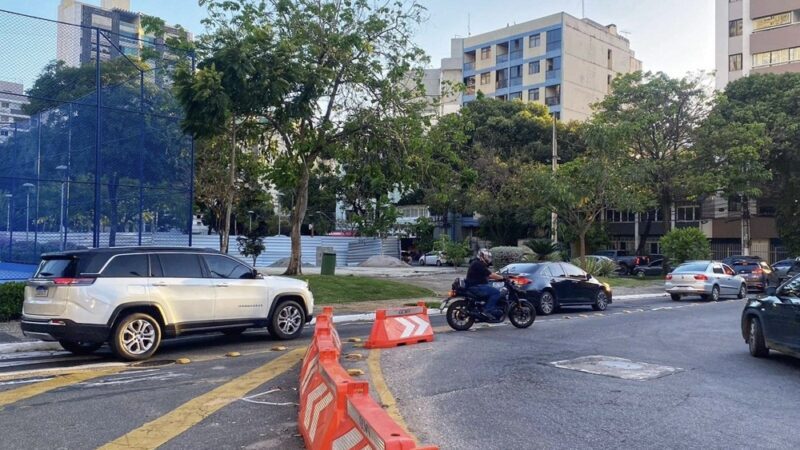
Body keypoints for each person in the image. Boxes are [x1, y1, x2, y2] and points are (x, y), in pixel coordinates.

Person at [465, 248, 505, 319]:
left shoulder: (477, 263)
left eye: (488, 257)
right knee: (496, 293)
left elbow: (487, 275)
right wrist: (502, 278)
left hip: (476, 285)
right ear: (481, 256)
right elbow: (490, 275)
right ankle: (487, 310)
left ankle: (486, 307)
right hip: (476, 287)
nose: (488, 258)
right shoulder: (478, 264)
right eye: (486, 256)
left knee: (491, 288)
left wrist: (497, 277)